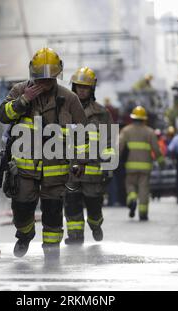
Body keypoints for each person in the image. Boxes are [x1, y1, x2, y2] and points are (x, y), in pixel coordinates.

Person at [0, 47, 88, 261]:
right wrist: (23, 101)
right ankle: (25, 233)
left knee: (53, 213)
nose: (44, 83)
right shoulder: (19, 90)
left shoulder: (69, 98)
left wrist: (81, 160)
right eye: (40, 78)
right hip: (24, 170)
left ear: (57, 76)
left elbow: (84, 133)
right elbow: (3, 115)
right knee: (21, 211)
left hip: (55, 169)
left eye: (49, 79)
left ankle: (52, 252)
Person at [63, 67, 115, 245]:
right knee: (71, 203)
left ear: (92, 89)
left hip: (93, 169)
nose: (82, 90)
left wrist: (108, 167)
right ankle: (75, 235)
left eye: (85, 87)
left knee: (94, 205)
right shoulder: (64, 110)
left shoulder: (101, 113)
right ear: (74, 88)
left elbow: (109, 140)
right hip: (70, 168)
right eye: (79, 87)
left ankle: (95, 224)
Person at [119, 106, 165, 220]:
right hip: (145, 167)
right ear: (144, 119)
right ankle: (143, 213)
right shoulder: (150, 132)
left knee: (130, 185)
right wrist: (161, 162)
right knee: (144, 189)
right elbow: (156, 149)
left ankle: (132, 197)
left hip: (130, 166)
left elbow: (119, 147)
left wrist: (115, 160)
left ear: (133, 118)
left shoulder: (126, 130)